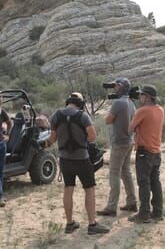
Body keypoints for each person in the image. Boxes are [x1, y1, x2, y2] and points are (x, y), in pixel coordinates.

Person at [46, 92, 110, 235]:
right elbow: (92, 136)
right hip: (82, 159)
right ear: (80, 103)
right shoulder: (83, 116)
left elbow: (52, 139)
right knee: (89, 189)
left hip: (65, 160)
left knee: (68, 188)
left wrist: (43, 145)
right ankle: (92, 225)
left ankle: (69, 224)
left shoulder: (56, 116)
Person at [97, 77, 137, 217]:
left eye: (116, 86)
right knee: (126, 172)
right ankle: (132, 202)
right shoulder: (131, 103)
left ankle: (111, 207)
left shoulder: (118, 103)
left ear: (120, 87)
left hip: (119, 143)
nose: (114, 88)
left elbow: (108, 120)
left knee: (114, 173)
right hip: (129, 141)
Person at [128, 85, 164, 223]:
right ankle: (158, 212)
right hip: (156, 150)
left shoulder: (142, 111)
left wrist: (137, 127)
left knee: (144, 183)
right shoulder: (160, 110)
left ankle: (144, 214)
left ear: (147, 96)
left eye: (142, 95)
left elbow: (129, 129)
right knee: (155, 181)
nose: (139, 97)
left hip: (144, 151)